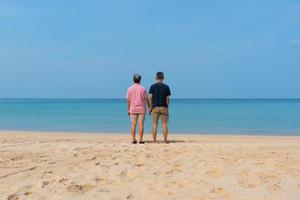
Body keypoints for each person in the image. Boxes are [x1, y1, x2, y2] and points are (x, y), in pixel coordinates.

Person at [149, 71, 171, 143]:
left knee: (154, 124)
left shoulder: (152, 86)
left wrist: (150, 107)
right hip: (164, 107)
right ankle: (165, 140)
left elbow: (151, 98)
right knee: (164, 124)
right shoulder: (166, 87)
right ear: (163, 78)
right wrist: (167, 107)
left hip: (155, 107)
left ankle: (154, 140)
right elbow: (167, 98)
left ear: (156, 78)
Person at [127, 74, 149, 144]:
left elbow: (129, 100)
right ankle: (141, 139)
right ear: (140, 80)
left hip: (133, 109)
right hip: (141, 108)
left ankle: (133, 139)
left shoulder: (129, 88)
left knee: (133, 124)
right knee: (141, 124)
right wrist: (149, 107)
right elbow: (146, 99)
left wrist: (128, 109)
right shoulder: (143, 88)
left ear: (133, 80)